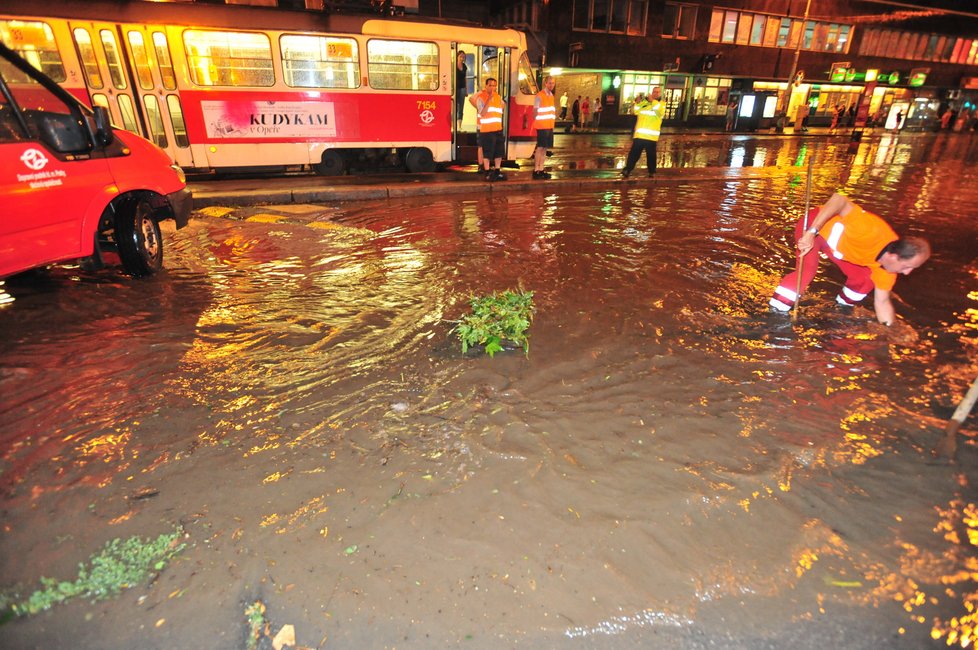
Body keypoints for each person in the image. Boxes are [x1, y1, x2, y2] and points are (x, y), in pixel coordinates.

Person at [769, 193, 930, 326]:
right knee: (806, 272)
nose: (907, 273)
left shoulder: (887, 269)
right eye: (907, 266)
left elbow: (882, 302)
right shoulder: (868, 230)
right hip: (814, 226)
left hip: (838, 246)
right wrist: (811, 232)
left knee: (865, 280)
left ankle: (840, 310)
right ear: (894, 257)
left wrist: (889, 332)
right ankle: (774, 314)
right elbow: (839, 199)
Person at [621, 87, 664, 179]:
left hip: (651, 136)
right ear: (651, 92)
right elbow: (635, 111)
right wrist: (637, 102)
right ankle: (627, 170)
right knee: (634, 154)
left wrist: (652, 101)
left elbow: (658, 110)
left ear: (660, 93)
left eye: (658, 92)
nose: (655, 93)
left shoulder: (661, 104)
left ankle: (652, 171)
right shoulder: (644, 103)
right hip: (640, 135)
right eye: (654, 92)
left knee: (651, 155)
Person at [475, 77, 506, 181]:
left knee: (499, 152)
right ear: (486, 86)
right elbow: (482, 113)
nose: (492, 87)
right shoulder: (481, 98)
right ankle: (487, 172)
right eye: (490, 85)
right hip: (487, 130)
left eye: (494, 85)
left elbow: (502, 107)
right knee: (487, 152)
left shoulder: (498, 97)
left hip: (498, 129)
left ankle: (497, 171)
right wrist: (489, 99)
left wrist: (499, 100)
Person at [531, 75, 556, 180]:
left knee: (545, 148)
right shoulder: (540, 95)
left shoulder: (551, 96)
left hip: (549, 126)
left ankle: (541, 169)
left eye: (553, 83)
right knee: (540, 148)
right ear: (545, 83)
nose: (551, 85)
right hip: (542, 126)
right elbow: (534, 112)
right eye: (549, 83)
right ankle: (536, 170)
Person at [455, 51, 467, 123]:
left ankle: (459, 125)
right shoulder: (453, 65)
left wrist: (466, 90)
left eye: (463, 57)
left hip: (462, 87)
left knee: (461, 106)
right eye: (461, 56)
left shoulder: (464, 66)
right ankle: (454, 125)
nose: (462, 58)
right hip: (455, 88)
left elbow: (465, 78)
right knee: (455, 106)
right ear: (457, 57)